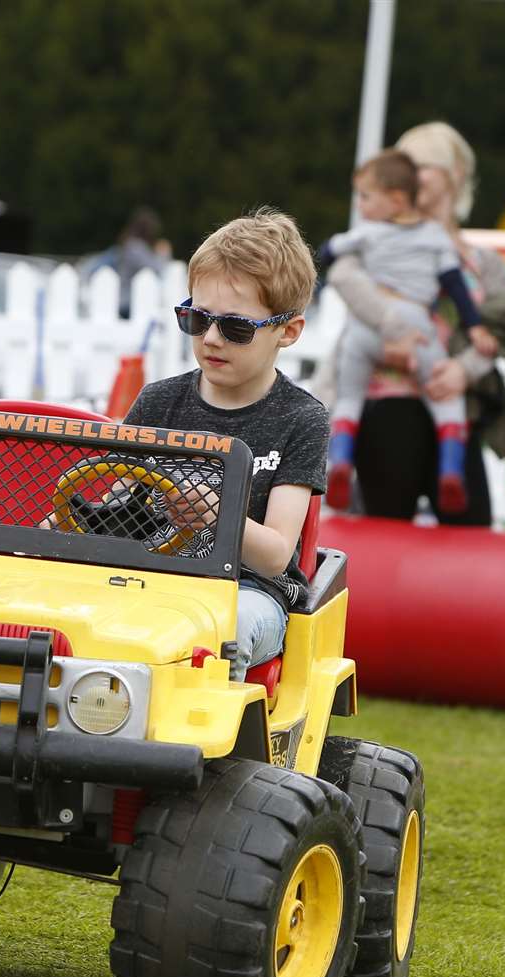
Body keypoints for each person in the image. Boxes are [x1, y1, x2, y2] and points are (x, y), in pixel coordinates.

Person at [120, 208, 329, 680]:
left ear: (288, 331)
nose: (211, 339)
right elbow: (114, 503)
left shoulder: (301, 418)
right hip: (154, 579)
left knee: (225, 628)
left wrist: (218, 513)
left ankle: (208, 733)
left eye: (236, 328)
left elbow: (277, 554)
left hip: (249, 590)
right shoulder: (159, 402)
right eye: (197, 319)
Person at [322, 121, 505, 526]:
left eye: (420, 166)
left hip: (454, 401)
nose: (407, 176)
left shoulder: (483, 263)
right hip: (388, 401)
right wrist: (392, 328)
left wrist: (463, 372)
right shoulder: (372, 239)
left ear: (455, 175)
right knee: (385, 528)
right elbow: (343, 278)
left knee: (470, 529)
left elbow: (498, 332)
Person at [84, 206, 173, 318]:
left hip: (128, 300)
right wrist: (163, 255)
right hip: (127, 301)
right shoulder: (135, 248)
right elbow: (157, 268)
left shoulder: (131, 245)